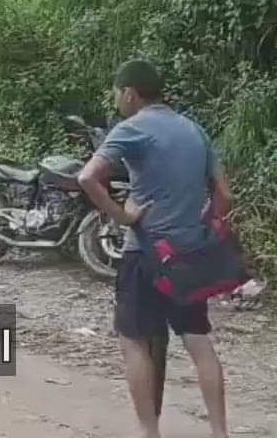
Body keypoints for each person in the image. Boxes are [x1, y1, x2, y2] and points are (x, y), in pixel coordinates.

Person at [78, 60, 229, 438]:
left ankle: (149, 431)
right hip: (190, 252)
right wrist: (208, 222)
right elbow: (224, 193)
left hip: (146, 252)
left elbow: (87, 177)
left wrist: (122, 216)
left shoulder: (132, 128)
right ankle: (220, 432)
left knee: (134, 340)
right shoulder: (194, 130)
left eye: (117, 94)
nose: (117, 100)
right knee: (197, 339)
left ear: (129, 92)